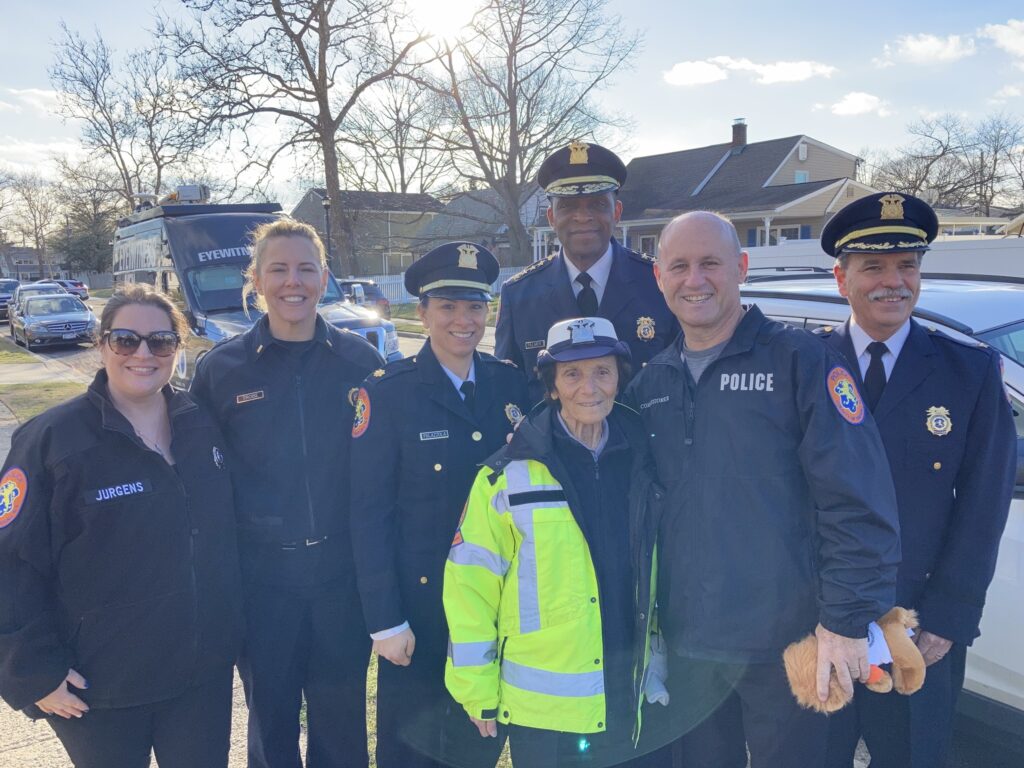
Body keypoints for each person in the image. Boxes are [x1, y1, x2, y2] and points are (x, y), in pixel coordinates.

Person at [623, 211, 902, 767]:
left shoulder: (801, 362)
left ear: (742, 268)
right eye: (679, 266)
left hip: (790, 644)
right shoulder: (651, 382)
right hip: (690, 646)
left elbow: (858, 503)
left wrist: (845, 623)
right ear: (660, 278)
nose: (694, 279)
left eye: (710, 264)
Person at [0, 285, 243, 768]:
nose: (144, 354)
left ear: (178, 347)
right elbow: (11, 563)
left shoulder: (204, 427)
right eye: (126, 340)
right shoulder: (52, 440)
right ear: (101, 343)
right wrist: (32, 674)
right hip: (98, 690)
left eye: (161, 341)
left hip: (199, 680)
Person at [817, 192, 1017, 768]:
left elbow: (983, 508)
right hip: (821, 618)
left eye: (907, 265)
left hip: (919, 623)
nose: (894, 281)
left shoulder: (969, 371)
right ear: (842, 278)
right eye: (873, 267)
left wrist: (950, 618)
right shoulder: (805, 366)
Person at [190, 219, 383, 768]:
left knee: (342, 722)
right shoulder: (220, 369)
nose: (291, 281)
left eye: (305, 268)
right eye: (278, 269)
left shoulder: (361, 362)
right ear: (255, 278)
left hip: (341, 580)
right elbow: (201, 481)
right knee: (271, 724)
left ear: (325, 278)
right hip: (261, 583)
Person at [444, 316, 671, 768]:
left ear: (619, 380)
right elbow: (470, 584)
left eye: (602, 372)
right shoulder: (505, 475)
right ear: (551, 387)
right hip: (543, 713)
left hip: (631, 691)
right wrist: (476, 688)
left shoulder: (645, 459)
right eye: (572, 374)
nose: (589, 387)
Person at [349, 241, 529, 768]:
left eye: (475, 306)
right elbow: (368, 511)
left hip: (495, 610)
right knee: (412, 751)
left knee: (480, 745)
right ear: (422, 313)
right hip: (419, 615)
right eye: (447, 306)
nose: (463, 320)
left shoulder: (509, 383)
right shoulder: (385, 393)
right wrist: (384, 619)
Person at [495, 141, 678, 404]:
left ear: (616, 212)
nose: (582, 217)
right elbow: (508, 393)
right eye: (568, 206)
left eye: (597, 204)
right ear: (551, 217)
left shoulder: (658, 284)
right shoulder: (519, 295)